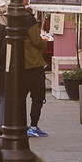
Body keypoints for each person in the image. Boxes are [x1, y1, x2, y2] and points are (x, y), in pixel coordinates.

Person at [23, 8, 49, 137]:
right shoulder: (29, 21)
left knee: (20, 97)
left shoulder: (13, 19)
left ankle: (22, 125)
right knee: (38, 96)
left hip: (20, 66)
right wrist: (44, 42)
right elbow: (37, 41)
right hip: (33, 64)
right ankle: (33, 126)